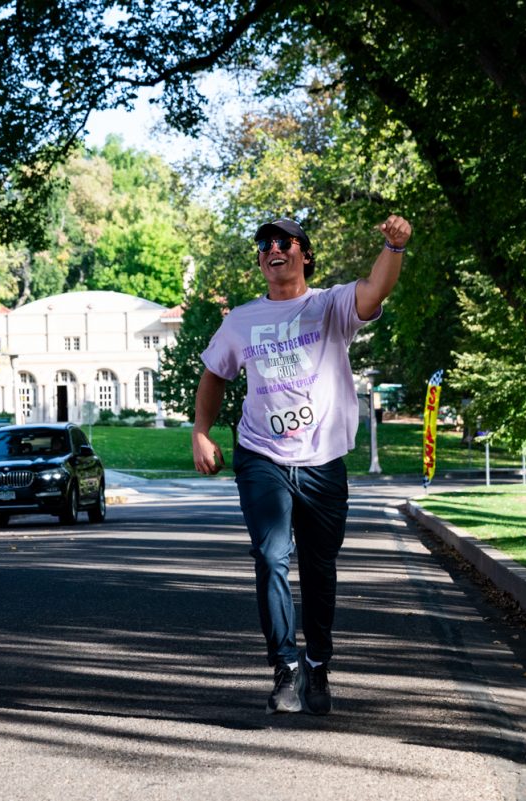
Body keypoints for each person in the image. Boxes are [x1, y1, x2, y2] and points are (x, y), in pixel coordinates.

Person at [191, 215, 412, 715]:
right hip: (262, 455)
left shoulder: (330, 305)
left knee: (319, 567)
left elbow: (375, 289)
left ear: (304, 254)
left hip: (323, 459)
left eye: (284, 242)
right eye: (265, 244)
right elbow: (213, 374)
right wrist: (201, 431)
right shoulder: (241, 320)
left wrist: (393, 248)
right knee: (271, 557)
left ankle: (317, 663)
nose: (273, 249)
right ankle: (284, 667)